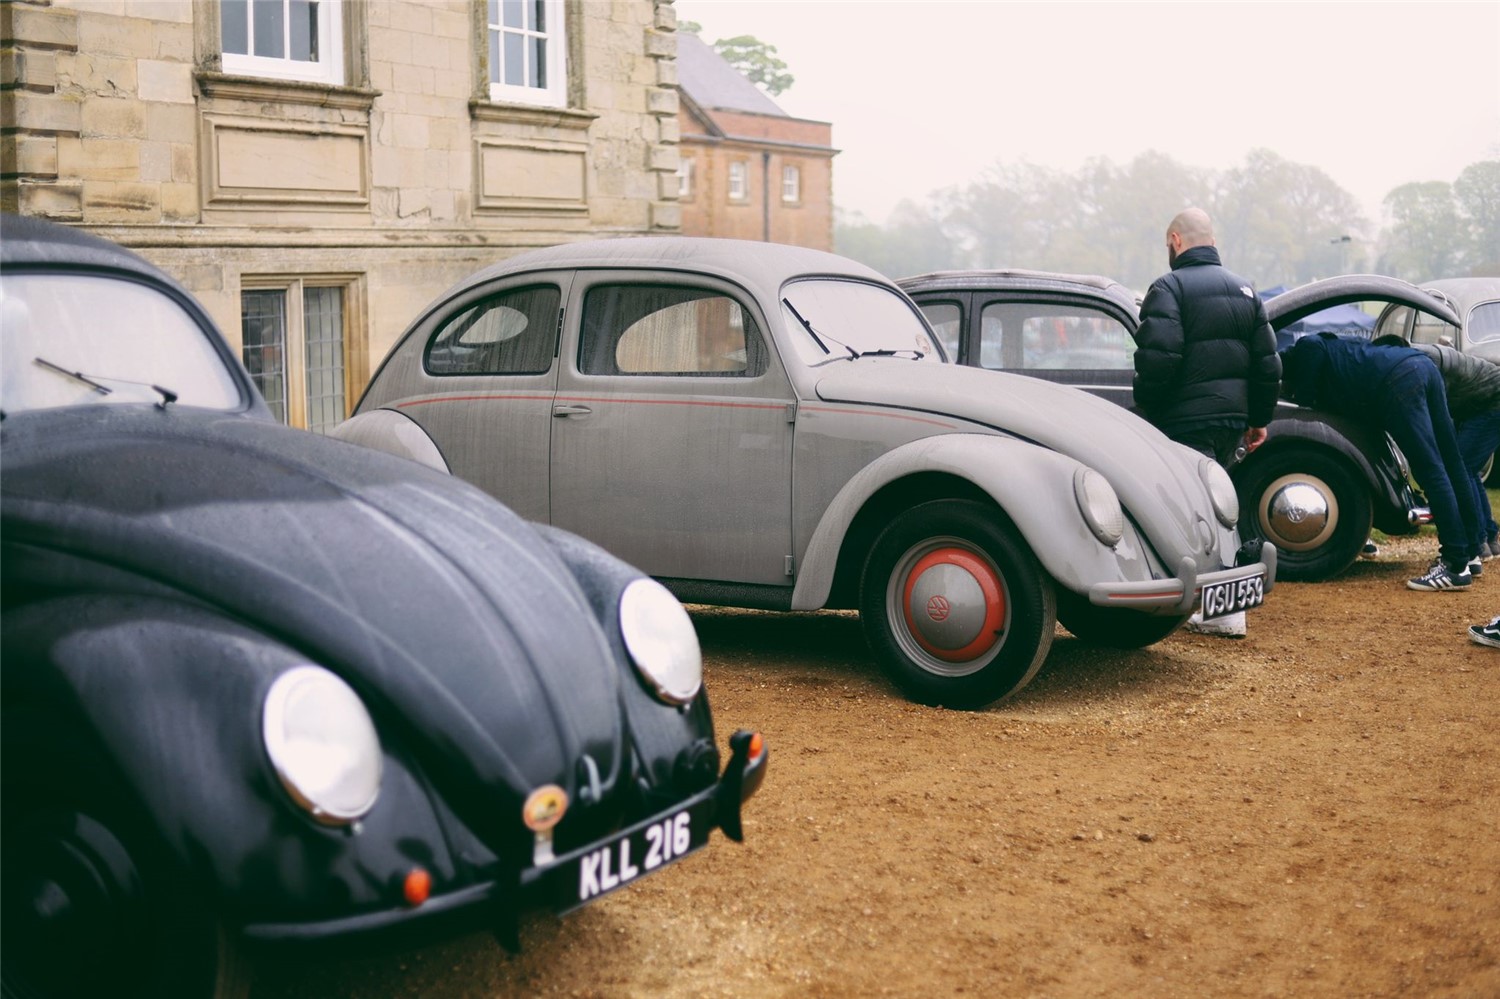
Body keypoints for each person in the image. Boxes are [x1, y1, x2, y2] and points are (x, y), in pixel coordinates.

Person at [1134, 208, 1282, 636]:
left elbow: (1158, 359)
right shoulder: (1246, 290)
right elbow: (1267, 364)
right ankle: (1226, 609)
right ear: (1211, 242)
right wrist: (1258, 420)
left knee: (1197, 512)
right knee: (1221, 509)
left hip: (1185, 420)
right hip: (1231, 420)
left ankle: (1220, 613)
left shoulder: (1169, 287)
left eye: (1168, 245)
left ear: (1176, 241)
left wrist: (1150, 409)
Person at [1280, 331, 1481, 591]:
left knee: (1431, 471)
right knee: (1451, 462)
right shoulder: (1342, 347)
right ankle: (1473, 552)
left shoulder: (1306, 347)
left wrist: (1297, 394)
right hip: (1421, 365)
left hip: (1398, 380)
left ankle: (1455, 565)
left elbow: (1306, 402)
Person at [1372, 334, 1500, 566]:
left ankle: (1480, 542)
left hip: (1493, 402)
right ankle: (1488, 537)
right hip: (1481, 401)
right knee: (1467, 470)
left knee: (1462, 468)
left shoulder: (1422, 362)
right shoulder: (1423, 357)